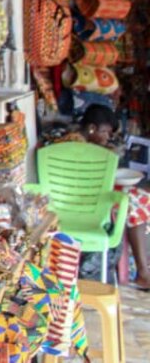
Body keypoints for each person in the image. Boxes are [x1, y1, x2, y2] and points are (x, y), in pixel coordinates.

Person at [80, 105, 150, 290]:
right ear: (91, 129)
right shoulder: (87, 150)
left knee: (138, 199)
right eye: (104, 132)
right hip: (85, 203)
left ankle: (143, 270)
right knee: (135, 203)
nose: (107, 138)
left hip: (77, 199)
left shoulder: (71, 142)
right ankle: (143, 273)